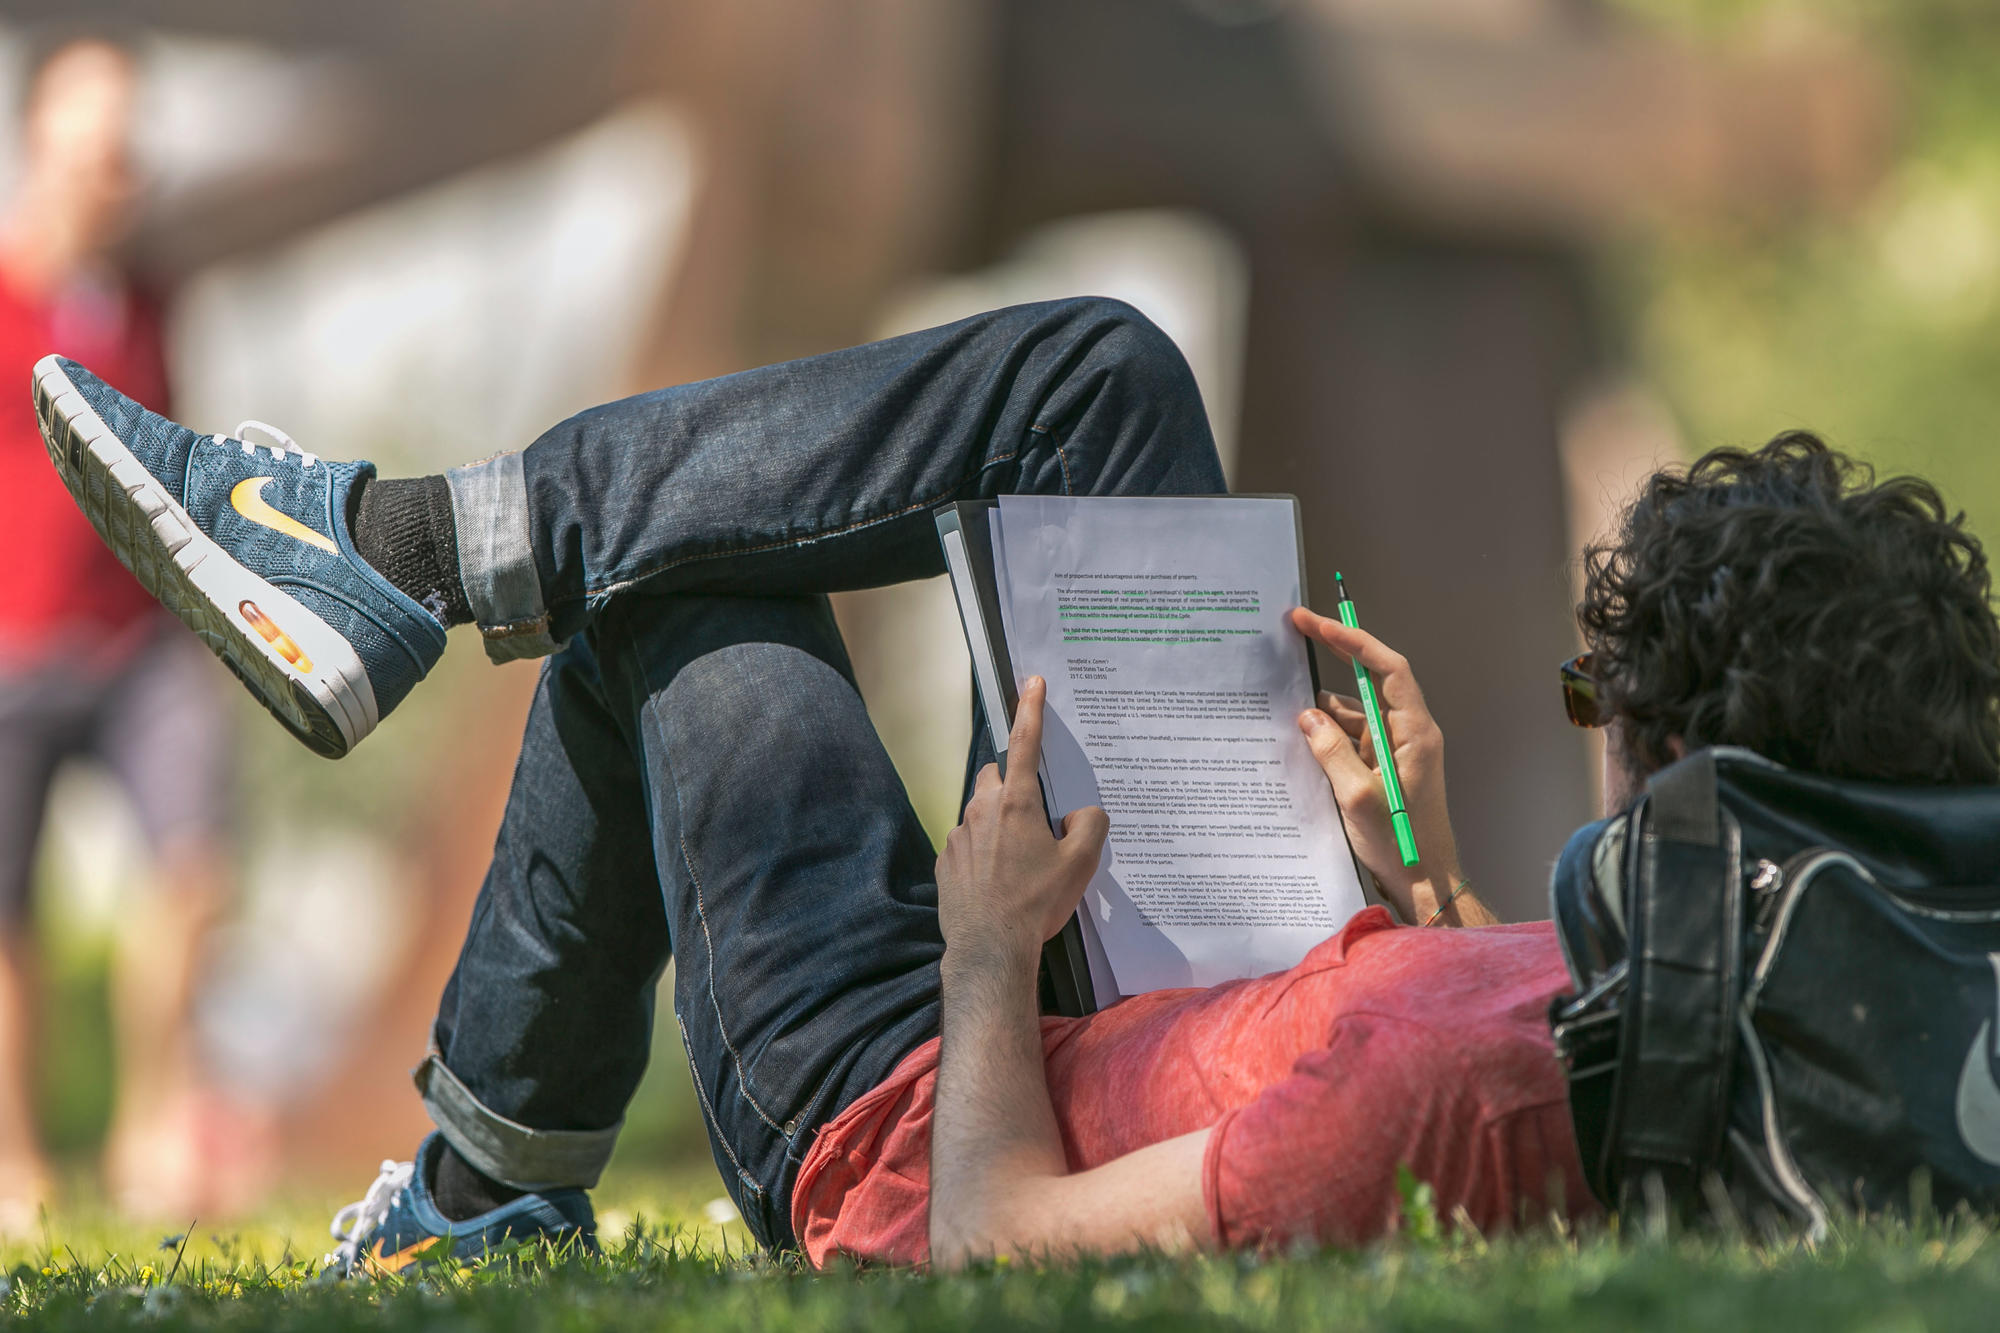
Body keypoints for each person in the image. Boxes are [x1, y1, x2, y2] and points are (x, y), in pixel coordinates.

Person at [29, 295, 2000, 1269]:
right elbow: (1528, 1062)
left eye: (1606, 691)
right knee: (1103, 381)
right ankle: (400, 578)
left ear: (1677, 759)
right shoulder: (1688, 1024)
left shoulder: (1452, 1094)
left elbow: (988, 1245)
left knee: (672, 610)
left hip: (919, 1082)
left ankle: (394, 567)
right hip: (1184, 964)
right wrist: (1429, 883)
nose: (1591, 724)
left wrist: (981, 958)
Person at [0, 34, 249, 1224]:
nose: (114, 172)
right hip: (9, 651)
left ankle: (157, 1120)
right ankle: (17, 1163)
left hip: (140, 645)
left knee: (194, 867)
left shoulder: (154, 301)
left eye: (125, 152)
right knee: (10, 922)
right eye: (91, 150)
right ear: (41, 150)